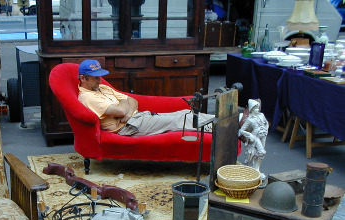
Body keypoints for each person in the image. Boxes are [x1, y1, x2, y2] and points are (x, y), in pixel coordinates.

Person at [77, 59, 213, 137]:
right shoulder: (87, 97)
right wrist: (125, 107)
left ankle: (220, 122)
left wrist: (128, 110)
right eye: (95, 78)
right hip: (129, 127)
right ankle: (219, 128)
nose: (100, 81)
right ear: (83, 78)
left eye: (100, 77)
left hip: (136, 118)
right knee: (180, 120)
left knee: (184, 113)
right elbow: (121, 112)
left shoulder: (102, 88)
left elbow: (132, 100)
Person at [239, 99, 269, 180]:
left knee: (260, 154)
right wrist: (249, 135)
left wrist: (265, 130)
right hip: (255, 137)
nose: (258, 110)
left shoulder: (261, 115)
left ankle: (257, 169)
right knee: (261, 152)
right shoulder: (249, 119)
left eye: (258, 108)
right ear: (251, 109)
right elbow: (242, 130)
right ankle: (253, 169)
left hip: (263, 135)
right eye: (256, 108)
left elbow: (266, 123)